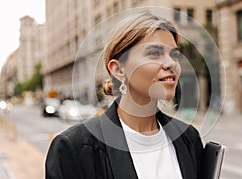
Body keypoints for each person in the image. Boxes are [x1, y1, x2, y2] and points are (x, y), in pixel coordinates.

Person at [45, 11, 204, 179]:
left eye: (174, 55)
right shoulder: (73, 148)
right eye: (154, 54)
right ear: (119, 70)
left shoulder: (189, 138)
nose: (171, 63)